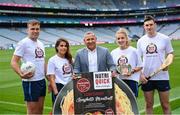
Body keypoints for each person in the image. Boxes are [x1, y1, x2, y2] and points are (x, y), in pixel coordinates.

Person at [137, 15, 174, 114]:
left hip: (162, 77)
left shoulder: (165, 38)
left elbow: (170, 53)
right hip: (147, 78)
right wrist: (141, 75)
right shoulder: (140, 41)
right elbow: (138, 60)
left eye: (151, 24)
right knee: (148, 105)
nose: (149, 27)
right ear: (144, 27)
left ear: (155, 25)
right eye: (147, 25)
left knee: (165, 105)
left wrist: (167, 64)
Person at [11, 19, 46, 114]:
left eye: (37, 29)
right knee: (32, 111)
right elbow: (14, 62)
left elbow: (43, 63)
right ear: (28, 30)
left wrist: (49, 79)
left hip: (41, 81)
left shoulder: (41, 44)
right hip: (31, 82)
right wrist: (21, 74)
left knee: (40, 110)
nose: (35, 31)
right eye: (32, 29)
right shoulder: (23, 43)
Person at [111, 28, 142, 97]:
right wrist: (114, 72)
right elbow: (112, 68)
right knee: (122, 104)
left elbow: (140, 66)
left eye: (122, 38)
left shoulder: (134, 51)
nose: (120, 40)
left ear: (126, 38)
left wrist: (132, 71)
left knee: (132, 104)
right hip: (119, 81)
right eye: (118, 38)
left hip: (132, 81)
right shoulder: (113, 52)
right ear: (116, 40)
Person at [46, 38, 73, 106]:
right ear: (57, 47)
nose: (64, 48)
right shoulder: (52, 60)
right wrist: (56, 93)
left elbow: (74, 73)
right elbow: (52, 78)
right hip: (59, 88)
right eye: (61, 46)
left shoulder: (71, 59)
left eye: (65, 46)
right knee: (59, 111)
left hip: (70, 87)